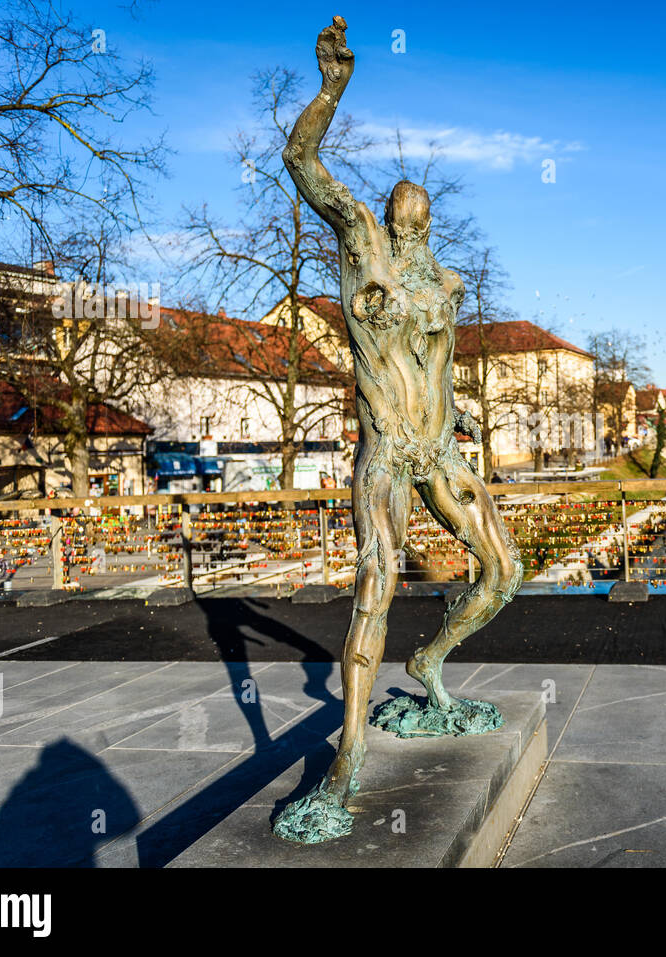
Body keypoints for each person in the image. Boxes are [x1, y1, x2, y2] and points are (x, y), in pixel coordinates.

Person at [272, 15, 522, 843]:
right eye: (399, 206)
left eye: (417, 209)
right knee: (375, 582)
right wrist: (332, 91)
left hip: (440, 448)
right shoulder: (362, 250)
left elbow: (443, 369)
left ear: (429, 219)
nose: (407, 208)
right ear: (388, 213)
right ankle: (346, 761)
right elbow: (302, 162)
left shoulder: (446, 280)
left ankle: (430, 664)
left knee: (504, 571)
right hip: (385, 451)